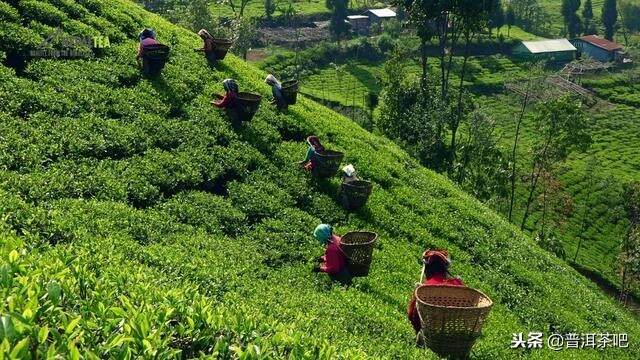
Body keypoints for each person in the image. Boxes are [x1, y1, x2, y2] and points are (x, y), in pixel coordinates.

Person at [407, 249, 465, 336]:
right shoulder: (457, 284)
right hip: (452, 325)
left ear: (427, 269)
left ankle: (422, 334)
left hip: (430, 324)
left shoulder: (424, 288)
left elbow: (411, 315)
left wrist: (416, 292)